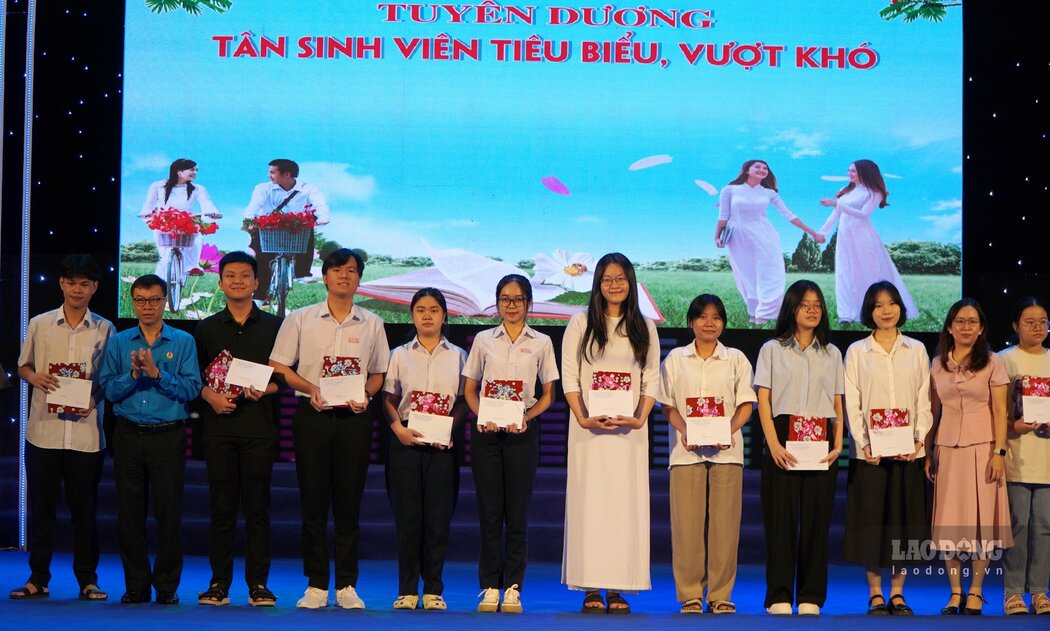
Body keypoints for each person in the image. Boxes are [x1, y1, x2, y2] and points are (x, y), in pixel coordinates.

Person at [268, 248, 388, 609]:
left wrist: (365, 395)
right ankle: (317, 584)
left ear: (359, 279)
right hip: (312, 416)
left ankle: (347, 585)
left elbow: (379, 372)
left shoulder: (372, 322)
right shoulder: (301, 318)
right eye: (336, 270)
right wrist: (310, 388)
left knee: (349, 503)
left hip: (354, 417)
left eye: (351, 271)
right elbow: (279, 365)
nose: (343, 276)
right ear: (324, 277)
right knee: (314, 501)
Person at [11, 255, 114, 601]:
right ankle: (38, 578)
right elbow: (23, 366)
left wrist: (94, 398)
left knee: (85, 511)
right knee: (42, 509)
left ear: (95, 288)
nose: (77, 289)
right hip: (43, 431)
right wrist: (34, 377)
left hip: (86, 435)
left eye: (85, 283)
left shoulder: (106, 329)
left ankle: (88, 580)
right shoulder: (39, 323)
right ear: (61, 284)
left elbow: (108, 380)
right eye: (71, 282)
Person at [561, 253, 660, 614]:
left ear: (630, 282)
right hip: (588, 430)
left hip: (629, 431)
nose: (614, 284)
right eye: (607, 279)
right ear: (597, 284)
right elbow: (569, 375)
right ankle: (590, 585)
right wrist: (583, 417)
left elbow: (651, 377)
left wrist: (639, 417)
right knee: (590, 505)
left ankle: (619, 587)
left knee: (624, 505)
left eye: (620, 278)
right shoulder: (581, 321)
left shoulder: (644, 325)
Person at [98, 275, 202, 605]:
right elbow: (109, 391)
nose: (147, 307)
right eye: (141, 300)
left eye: (154, 300)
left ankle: (167, 586)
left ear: (165, 302)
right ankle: (136, 585)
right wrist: (133, 375)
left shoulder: (183, 341)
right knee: (129, 514)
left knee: (168, 513)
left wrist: (157, 374)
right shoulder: (119, 342)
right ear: (132, 303)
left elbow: (192, 389)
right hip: (127, 434)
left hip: (168, 436)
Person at [463, 274, 559, 613]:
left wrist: (527, 417)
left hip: (522, 434)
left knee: (516, 515)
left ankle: (514, 587)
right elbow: (470, 390)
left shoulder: (542, 342)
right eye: (505, 299)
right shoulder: (484, 340)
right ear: (497, 303)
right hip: (487, 435)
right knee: (490, 513)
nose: (511, 305)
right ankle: (490, 585)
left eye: (518, 299)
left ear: (529, 303)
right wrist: (481, 415)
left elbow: (549, 394)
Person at [193, 252, 283, 607]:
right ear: (220, 282)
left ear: (257, 283)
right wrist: (210, 396)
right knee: (222, 508)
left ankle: (258, 584)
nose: (238, 281)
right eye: (230, 276)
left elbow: (286, 378)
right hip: (219, 428)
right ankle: (219, 584)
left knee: (258, 509)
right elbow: (195, 376)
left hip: (260, 429)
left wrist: (267, 390)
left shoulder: (276, 326)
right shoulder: (207, 327)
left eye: (245, 275)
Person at [658, 294, 756, 614]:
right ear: (690, 322)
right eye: (702, 316)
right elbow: (668, 405)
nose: (709, 322)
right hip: (685, 453)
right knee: (686, 526)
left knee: (725, 527)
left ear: (724, 323)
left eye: (716, 317)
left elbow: (745, 405)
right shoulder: (674, 359)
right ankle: (689, 593)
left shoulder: (737, 359)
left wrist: (725, 431)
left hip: (727, 453)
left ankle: (720, 594)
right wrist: (686, 430)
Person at [755, 279, 844, 616]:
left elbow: (837, 401)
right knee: (780, 519)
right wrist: (772, 443)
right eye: (805, 303)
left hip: (820, 436)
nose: (812, 309)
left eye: (817, 304)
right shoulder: (772, 349)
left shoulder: (832, 352)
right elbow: (763, 398)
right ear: (791, 307)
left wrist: (838, 440)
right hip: (783, 432)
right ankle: (778, 594)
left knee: (816, 521)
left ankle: (811, 595)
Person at [842, 281, 931, 615]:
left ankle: (898, 593)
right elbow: (853, 403)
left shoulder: (917, 349)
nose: (886, 310)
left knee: (904, 523)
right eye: (878, 305)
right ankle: (875, 592)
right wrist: (865, 444)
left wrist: (919, 439)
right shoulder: (856, 352)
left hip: (908, 451)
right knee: (872, 521)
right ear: (869, 310)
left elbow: (924, 398)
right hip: (871, 456)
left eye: (892, 303)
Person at [926, 298, 1012, 615]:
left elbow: (1001, 410)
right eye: (960, 321)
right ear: (949, 326)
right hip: (947, 448)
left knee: (981, 523)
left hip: (984, 448)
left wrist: (999, 452)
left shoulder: (992, 362)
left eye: (972, 321)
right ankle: (955, 592)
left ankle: (975, 591)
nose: (966, 326)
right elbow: (933, 412)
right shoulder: (937, 364)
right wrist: (928, 452)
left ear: (981, 329)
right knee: (950, 521)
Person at [382, 288, 467, 611]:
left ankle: (433, 589)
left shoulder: (459, 355)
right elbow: (388, 398)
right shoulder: (399, 354)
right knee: (408, 518)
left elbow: (463, 401)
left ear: (445, 315)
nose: (427, 315)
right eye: (420, 310)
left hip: (444, 444)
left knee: (437, 517)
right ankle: (407, 589)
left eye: (434, 310)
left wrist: (450, 429)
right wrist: (398, 430)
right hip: (406, 440)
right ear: (412, 315)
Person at [715, 159, 821, 325]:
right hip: (738, 239)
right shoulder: (729, 190)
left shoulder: (769, 193)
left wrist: (812, 232)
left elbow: (789, 215)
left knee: (770, 273)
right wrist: (717, 235)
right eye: (757, 166)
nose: (762, 169)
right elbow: (723, 216)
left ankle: (766, 312)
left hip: (765, 237)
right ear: (746, 170)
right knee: (746, 275)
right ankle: (753, 311)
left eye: (765, 168)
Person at [815, 159, 919, 324]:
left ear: (864, 172)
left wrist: (836, 204)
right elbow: (835, 215)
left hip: (863, 236)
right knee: (844, 272)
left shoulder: (873, 192)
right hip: (845, 236)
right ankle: (847, 314)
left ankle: (872, 310)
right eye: (849, 170)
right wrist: (822, 233)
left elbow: (863, 214)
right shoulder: (844, 190)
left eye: (853, 171)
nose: (849, 174)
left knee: (868, 272)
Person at [999, 296, 1050, 616]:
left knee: (1044, 526)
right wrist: (1012, 425)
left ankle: (1041, 592)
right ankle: (1014, 592)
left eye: (1042, 321)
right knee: (1018, 526)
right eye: (1029, 321)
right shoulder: (1003, 360)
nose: (1037, 327)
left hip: (1046, 459)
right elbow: (994, 411)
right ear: (1015, 325)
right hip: (1017, 456)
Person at [244, 158, 331, 299]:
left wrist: (323, 217)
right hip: (268, 229)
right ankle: (259, 296)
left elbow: (320, 205)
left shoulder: (308, 189)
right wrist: (249, 221)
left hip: (296, 229)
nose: (269, 176)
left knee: (307, 230)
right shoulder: (263, 188)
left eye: (272, 172)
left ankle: (302, 273)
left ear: (287, 174)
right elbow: (253, 206)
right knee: (263, 260)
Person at [140, 158, 222, 283]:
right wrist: (146, 214)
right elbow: (148, 204)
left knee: (196, 236)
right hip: (165, 222)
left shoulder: (197, 189)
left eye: (196, 170)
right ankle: (162, 284)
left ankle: (191, 266)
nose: (195, 173)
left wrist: (213, 213)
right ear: (179, 171)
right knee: (164, 255)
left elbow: (207, 204)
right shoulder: (158, 186)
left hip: (187, 222)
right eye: (192, 169)